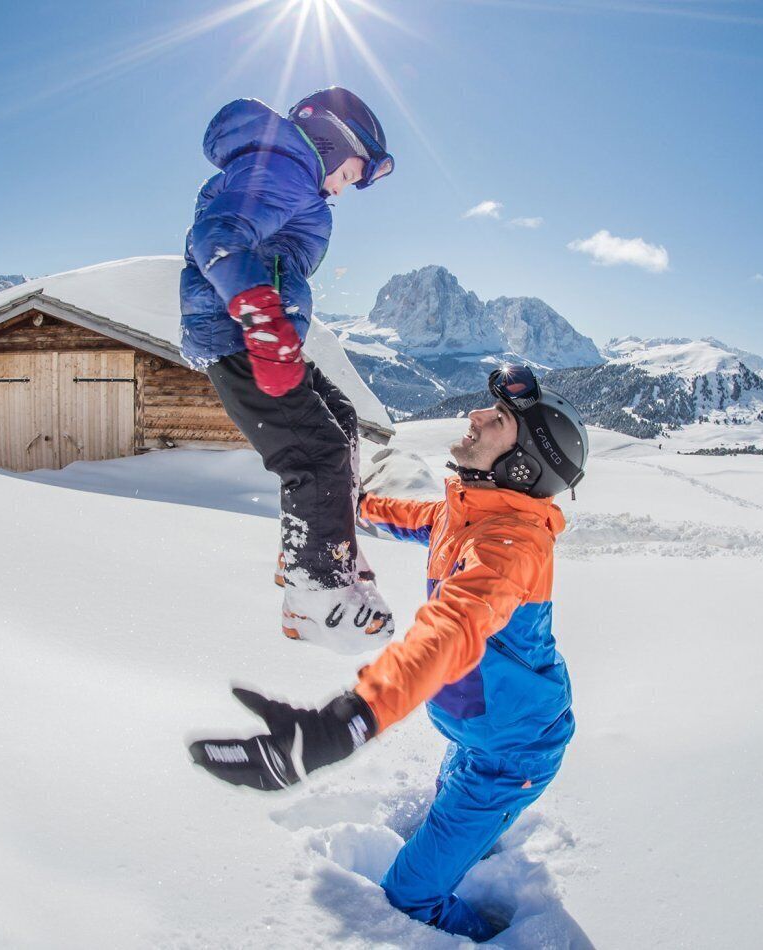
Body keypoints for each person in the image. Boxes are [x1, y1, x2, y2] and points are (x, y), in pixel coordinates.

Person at [190, 366, 590, 942]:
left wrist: (351, 719)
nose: (475, 416)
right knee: (448, 814)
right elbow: (416, 517)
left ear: (520, 464)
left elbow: (450, 631)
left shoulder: (508, 548)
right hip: (482, 734)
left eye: (497, 420)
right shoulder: (470, 509)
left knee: (411, 896)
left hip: (512, 757)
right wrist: (347, 504)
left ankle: (499, 935)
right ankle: (470, 846)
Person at [180, 86, 398, 654]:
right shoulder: (282, 166)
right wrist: (261, 319)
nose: (343, 190)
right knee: (315, 453)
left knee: (341, 419)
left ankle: (328, 547)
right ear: (330, 140)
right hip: (242, 336)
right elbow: (216, 238)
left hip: (262, 336)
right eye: (350, 176)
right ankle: (314, 597)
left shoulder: (290, 172)